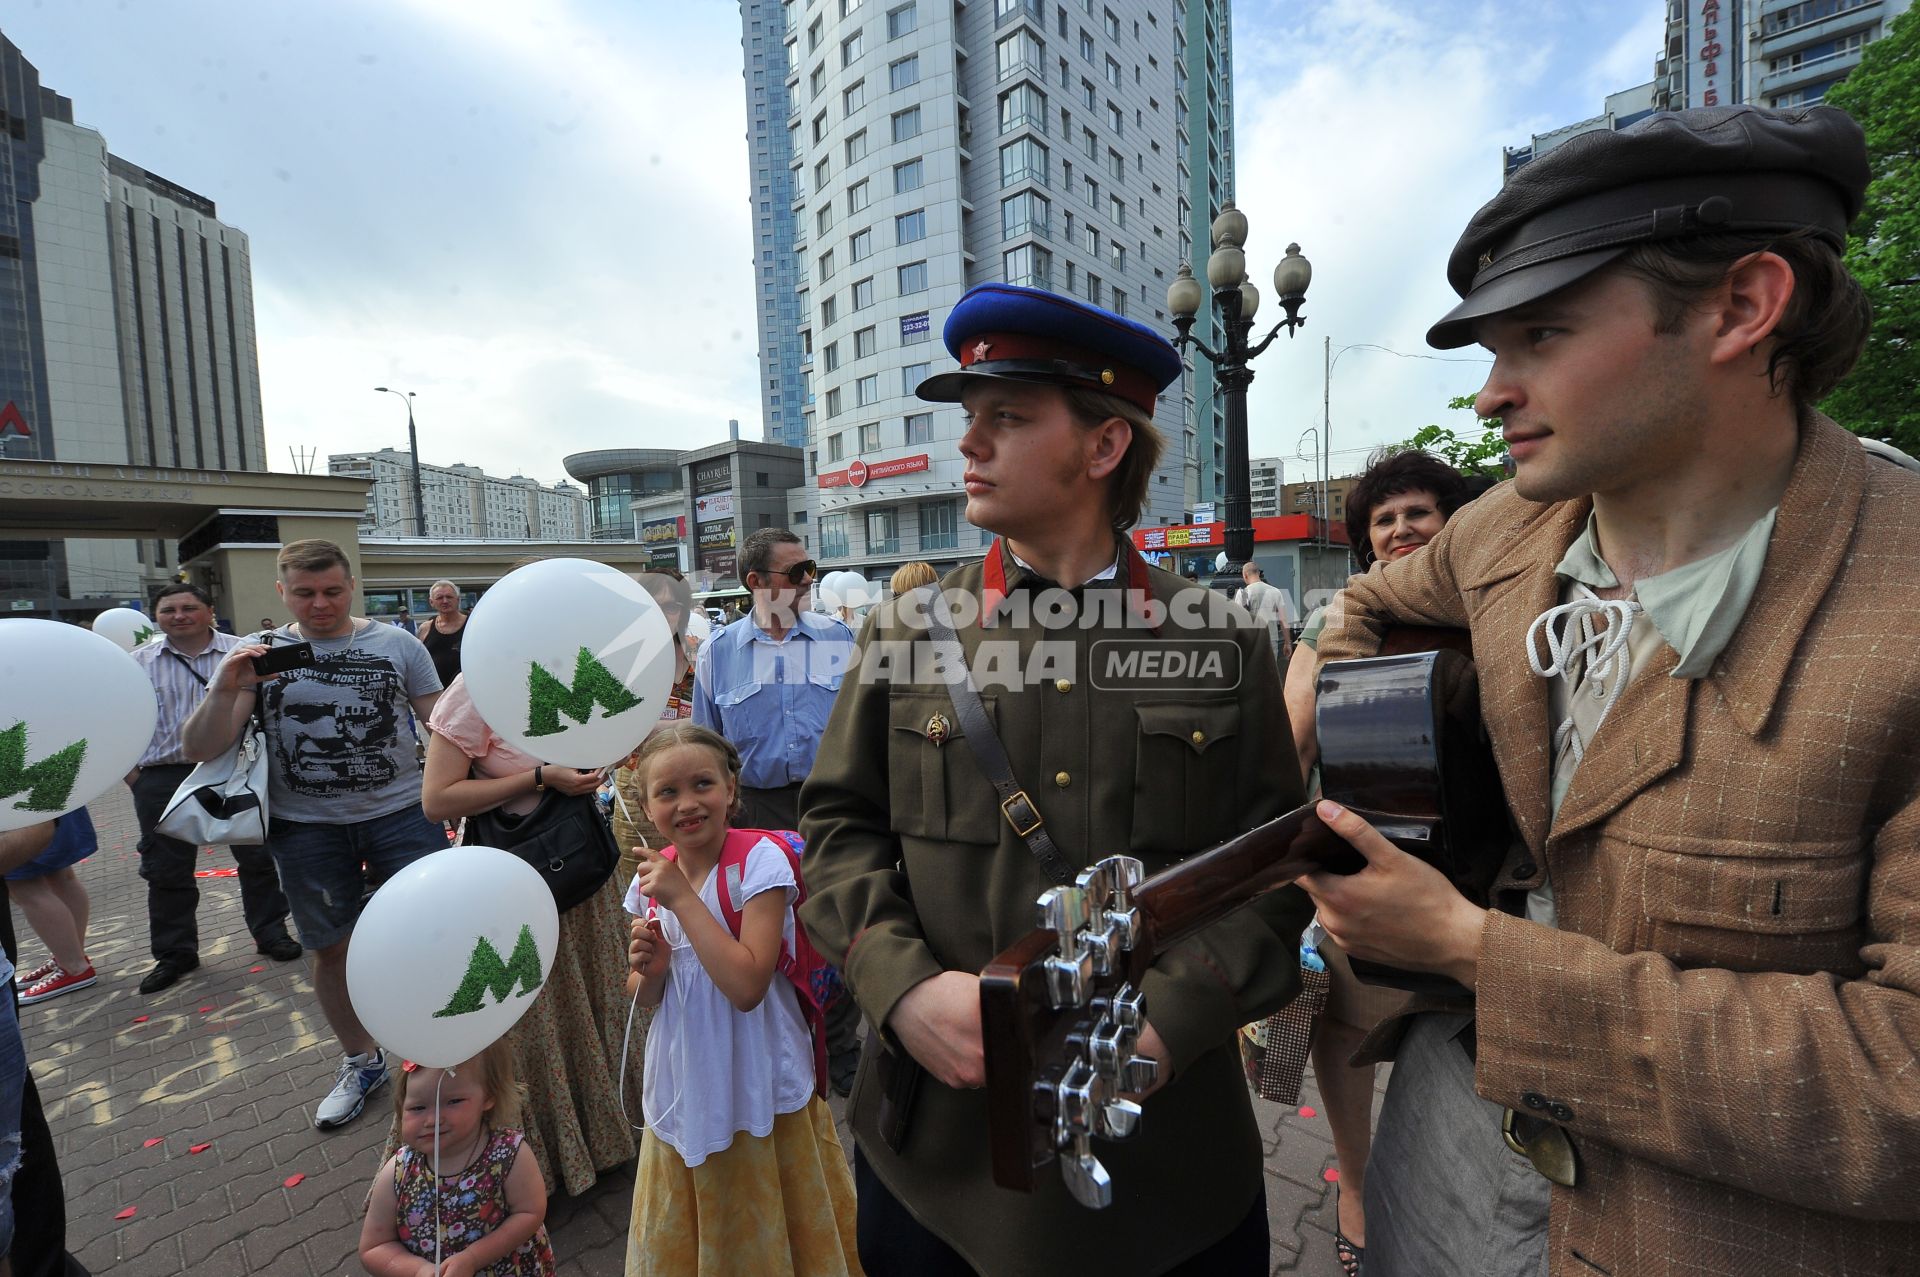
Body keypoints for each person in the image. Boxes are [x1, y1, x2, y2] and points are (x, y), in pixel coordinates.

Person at [1300, 105, 1920, 1276]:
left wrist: (1475, 950)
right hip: (1444, 1157)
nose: (1491, 394)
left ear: (1743, 306)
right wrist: (1375, 759)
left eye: (1539, 333)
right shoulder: (1504, 529)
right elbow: (1366, 612)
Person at [799, 282, 1309, 1275]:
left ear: (1103, 445)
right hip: (939, 1167)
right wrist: (898, 988)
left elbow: (1275, 866)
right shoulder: (909, 630)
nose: (970, 445)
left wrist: (1170, 1026)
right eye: (968, 420)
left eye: (1008, 417)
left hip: (1162, 1171)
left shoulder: (1218, 638)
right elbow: (837, 831)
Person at [1271, 447, 1473, 1276]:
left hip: (1478, 886)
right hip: (1363, 875)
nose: (1401, 529)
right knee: (1347, 1035)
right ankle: (1355, 1190)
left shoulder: (1504, 605)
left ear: (1452, 522)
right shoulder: (1334, 624)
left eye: (1418, 512)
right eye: (1384, 519)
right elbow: (1290, 746)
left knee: (1464, 1053)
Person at [183, 538, 446, 1131]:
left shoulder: (396, 644)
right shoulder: (262, 655)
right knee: (329, 946)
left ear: (352, 586)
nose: (320, 604)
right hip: (305, 828)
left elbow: (440, 719)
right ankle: (361, 1061)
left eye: (331, 591)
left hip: (403, 815)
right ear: (283, 592)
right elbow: (199, 748)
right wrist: (226, 683)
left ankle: (442, 1049)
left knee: (432, 935)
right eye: (304, 593)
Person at [622, 723, 862, 1277]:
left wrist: (682, 898)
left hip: (756, 1064)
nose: (687, 804)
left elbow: (748, 987)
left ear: (731, 789)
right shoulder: (650, 880)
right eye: (667, 792)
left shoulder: (760, 865)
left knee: (771, 1199)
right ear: (645, 804)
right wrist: (650, 971)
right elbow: (644, 993)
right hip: (685, 1068)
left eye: (702, 784)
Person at [420, 671, 642, 1197]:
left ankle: (608, 1136)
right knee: (534, 1018)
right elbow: (438, 800)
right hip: (515, 886)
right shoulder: (476, 687)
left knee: (598, 1002)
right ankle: (537, 1160)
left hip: (586, 874)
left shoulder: (579, 668)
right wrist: (540, 778)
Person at [127, 582, 300, 995]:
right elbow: (117, 720)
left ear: (209, 611)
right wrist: (135, 776)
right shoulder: (136, 663)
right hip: (164, 776)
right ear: (156, 616)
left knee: (258, 859)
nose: (179, 616)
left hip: (234, 770)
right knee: (166, 871)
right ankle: (175, 954)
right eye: (169, 610)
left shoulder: (246, 652)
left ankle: (271, 933)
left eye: (189, 607)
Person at [692, 529, 854, 831]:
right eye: (795, 572)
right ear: (756, 582)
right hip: (753, 811)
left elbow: (864, 725)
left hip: (834, 804)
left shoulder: (838, 637)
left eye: (810, 568)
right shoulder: (716, 653)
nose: (808, 580)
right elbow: (705, 747)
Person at [359, 1040, 555, 1277]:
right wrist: (418, 1270)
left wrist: (473, 1258)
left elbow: (529, 1213)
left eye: (453, 1102)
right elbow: (374, 1246)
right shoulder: (398, 1171)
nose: (432, 1119)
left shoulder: (508, 1155)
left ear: (488, 1098)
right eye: (417, 1108)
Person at [7, 810, 99, 1006]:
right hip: (50, 798)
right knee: (59, 874)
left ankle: (73, 966)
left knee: (24, 886)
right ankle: (70, 956)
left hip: (14, 807)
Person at [1234, 561, 1292, 664]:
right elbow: (1283, 620)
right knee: (1270, 672)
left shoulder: (1242, 594)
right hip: (1271, 639)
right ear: (1258, 573)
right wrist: (1287, 643)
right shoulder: (1275, 591)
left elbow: (1238, 622)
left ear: (1245, 575)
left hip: (1251, 641)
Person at [416, 580, 468, 687]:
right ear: (431, 602)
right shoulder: (425, 628)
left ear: (458, 600)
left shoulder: (472, 624)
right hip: (436, 694)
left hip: (467, 692)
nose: (445, 601)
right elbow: (418, 663)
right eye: (439, 598)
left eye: (449, 597)